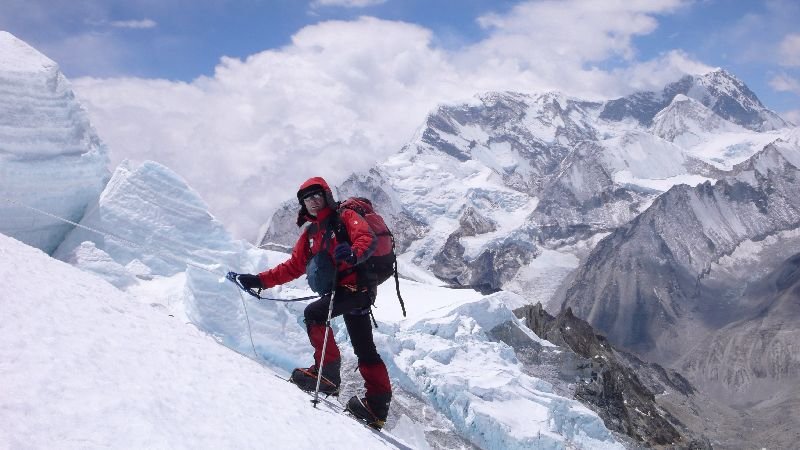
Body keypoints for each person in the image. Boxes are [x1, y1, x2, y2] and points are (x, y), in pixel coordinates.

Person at [235, 176, 392, 429]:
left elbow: (365, 238)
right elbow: (294, 266)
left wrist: (353, 254)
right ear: (303, 205)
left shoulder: (346, 217)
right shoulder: (311, 233)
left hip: (358, 288)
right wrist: (258, 280)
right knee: (365, 348)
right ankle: (376, 407)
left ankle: (327, 376)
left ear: (327, 196)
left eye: (317, 197)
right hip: (348, 290)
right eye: (308, 200)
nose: (313, 203)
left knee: (315, 314)